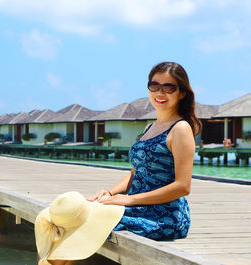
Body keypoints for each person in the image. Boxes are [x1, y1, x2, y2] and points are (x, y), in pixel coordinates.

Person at [34, 61, 201, 264]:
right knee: (59, 217)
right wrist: (110, 193)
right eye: (154, 86)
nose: (160, 92)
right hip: (136, 207)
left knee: (82, 221)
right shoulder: (150, 127)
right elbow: (135, 173)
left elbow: (183, 187)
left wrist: (127, 200)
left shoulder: (180, 129)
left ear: (181, 93)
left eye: (169, 87)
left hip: (163, 215)